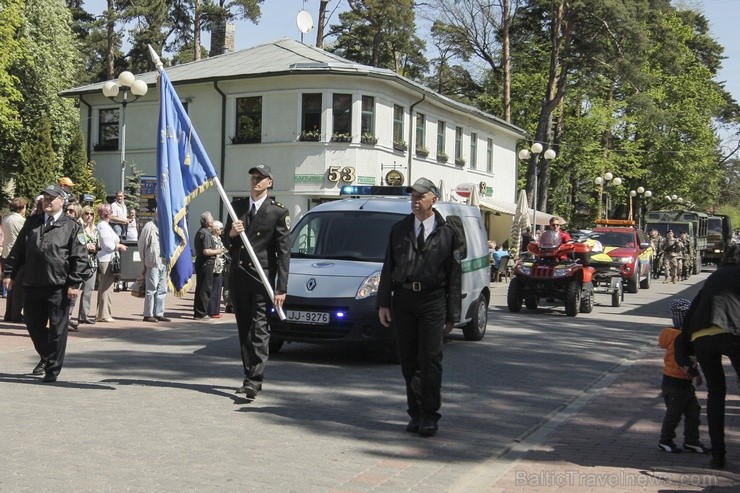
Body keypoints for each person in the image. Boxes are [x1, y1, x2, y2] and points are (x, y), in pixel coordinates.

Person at [377, 177, 462, 437]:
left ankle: (430, 415)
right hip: (403, 299)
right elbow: (388, 267)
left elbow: (454, 275)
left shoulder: (448, 232)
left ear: (433, 199)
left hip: (433, 300)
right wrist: (383, 302)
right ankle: (415, 413)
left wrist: (452, 313)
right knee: (408, 360)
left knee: (430, 359)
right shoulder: (399, 229)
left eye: (420, 196)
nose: (415, 200)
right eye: (412, 196)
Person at [2, 184, 91, 382]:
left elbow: (80, 258)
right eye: (45, 198)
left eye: (51, 198)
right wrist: (9, 274)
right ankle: (47, 355)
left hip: (59, 286)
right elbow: (18, 251)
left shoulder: (72, 226)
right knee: (33, 325)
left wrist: (74, 284)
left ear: (62, 201)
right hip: (33, 283)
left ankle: (52, 370)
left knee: (58, 330)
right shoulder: (32, 223)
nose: (47, 201)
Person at [224, 164, 290, 399]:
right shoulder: (238, 207)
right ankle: (248, 374)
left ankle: (255, 379)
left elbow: (283, 252)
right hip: (239, 276)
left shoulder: (277, 212)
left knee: (259, 327)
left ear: (269, 182)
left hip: (261, 277)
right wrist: (232, 234)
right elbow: (227, 242)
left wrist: (281, 287)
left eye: (260, 178)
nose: (255, 181)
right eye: (253, 177)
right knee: (244, 328)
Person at [681, 244, 740, 470]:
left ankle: (718, 456)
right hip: (734, 333)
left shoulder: (715, 276)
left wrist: (687, 354)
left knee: (716, 394)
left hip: (702, 335)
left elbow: (693, 310)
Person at [657, 298, 709, 454]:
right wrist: (695, 374)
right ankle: (665, 440)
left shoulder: (676, 334)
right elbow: (681, 358)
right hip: (676, 382)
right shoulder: (680, 337)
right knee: (674, 413)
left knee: (693, 411)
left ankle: (691, 441)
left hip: (681, 383)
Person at [96, 203, 127, 322]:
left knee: (105, 287)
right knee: (106, 288)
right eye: (111, 212)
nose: (113, 214)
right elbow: (108, 245)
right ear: (106, 214)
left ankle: (102, 313)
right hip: (106, 260)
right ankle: (104, 314)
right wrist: (118, 246)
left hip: (108, 259)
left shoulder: (106, 226)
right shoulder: (103, 226)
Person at [138, 206, 170, 323]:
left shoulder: (165, 227)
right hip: (153, 262)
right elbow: (142, 245)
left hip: (163, 261)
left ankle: (159, 313)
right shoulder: (149, 227)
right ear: (155, 214)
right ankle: (148, 314)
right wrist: (145, 262)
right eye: (159, 214)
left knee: (162, 288)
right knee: (151, 288)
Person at [193, 211, 222, 319]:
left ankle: (199, 312)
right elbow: (206, 251)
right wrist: (219, 251)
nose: (213, 220)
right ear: (207, 222)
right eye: (212, 219)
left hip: (204, 263)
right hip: (206, 263)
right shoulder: (205, 233)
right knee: (204, 288)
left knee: (202, 287)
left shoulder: (203, 232)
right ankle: (201, 313)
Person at [3, 197, 27, 323]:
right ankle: (16, 314)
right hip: (17, 256)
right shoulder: (21, 221)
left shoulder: (5, 218)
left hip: (6, 253)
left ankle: (9, 313)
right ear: (22, 207)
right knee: (18, 287)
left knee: (10, 286)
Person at [77, 205, 98, 325]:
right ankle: (68, 316)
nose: (89, 216)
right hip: (82, 263)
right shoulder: (79, 228)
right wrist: (86, 247)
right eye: (86, 214)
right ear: (82, 215)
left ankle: (84, 315)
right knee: (76, 289)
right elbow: (78, 243)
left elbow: (99, 242)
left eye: (91, 214)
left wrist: (96, 247)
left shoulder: (95, 229)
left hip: (93, 262)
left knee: (88, 291)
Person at [210, 220, 227, 319]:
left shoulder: (219, 238)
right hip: (214, 266)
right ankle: (212, 310)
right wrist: (220, 251)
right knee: (214, 289)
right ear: (216, 229)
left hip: (220, 266)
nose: (221, 230)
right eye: (220, 229)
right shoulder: (212, 238)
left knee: (218, 289)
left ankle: (216, 310)